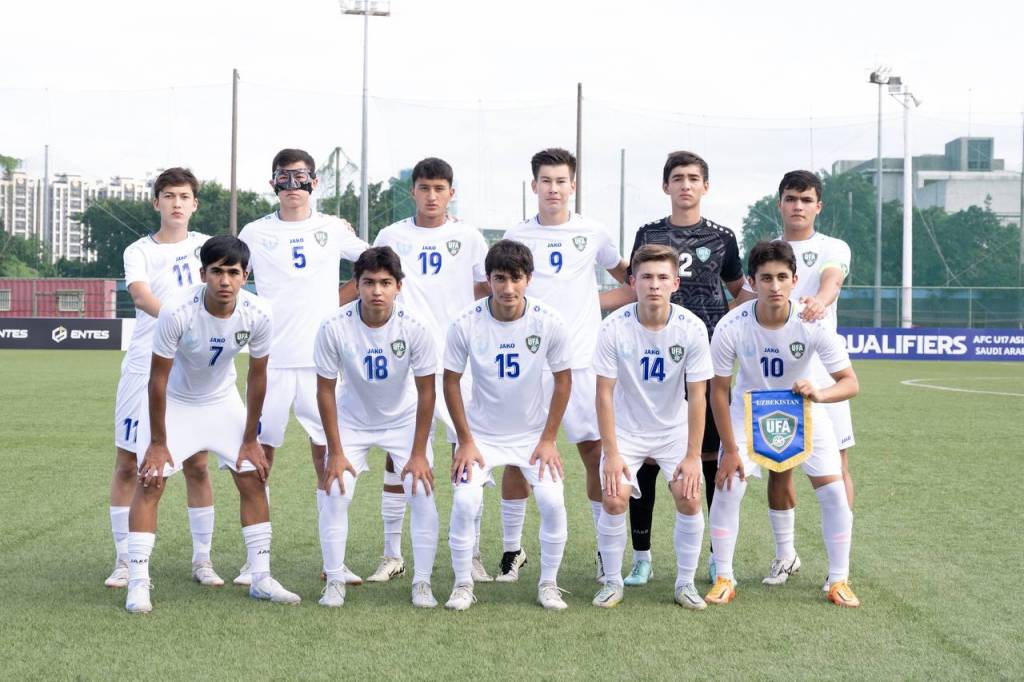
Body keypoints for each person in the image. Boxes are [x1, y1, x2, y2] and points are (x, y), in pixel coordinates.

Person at [124, 235, 299, 613]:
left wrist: (250, 438)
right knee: (151, 481)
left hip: (221, 401)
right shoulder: (176, 310)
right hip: (175, 403)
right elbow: (157, 380)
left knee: (253, 476)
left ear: (245, 276)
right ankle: (137, 582)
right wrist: (158, 443)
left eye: (233, 273)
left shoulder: (259, 312)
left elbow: (257, 376)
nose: (225, 280)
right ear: (202, 273)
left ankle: (261, 578)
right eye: (217, 272)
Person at [599, 151, 744, 586]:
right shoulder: (649, 233)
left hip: (702, 353)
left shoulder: (723, 237)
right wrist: (580, 306)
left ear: (705, 186)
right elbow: (632, 286)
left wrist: (732, 327)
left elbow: (739, 292)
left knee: (704, 460)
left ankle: (716, 556)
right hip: (650, 349)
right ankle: (641, 556)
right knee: (643, 462)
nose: (685, 185)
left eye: (693, 178)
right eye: (677, 178)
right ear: (666, 186)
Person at [236, 148, 368, 585]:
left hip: (321, 364)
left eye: (301, 177)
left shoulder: (332, 228)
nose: (293, 186)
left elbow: (374, 263)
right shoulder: (255, 231)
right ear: (272, 183)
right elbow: (231, 272)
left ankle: (334, 561)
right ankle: (255, 560)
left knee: (328, 456)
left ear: (314, 182)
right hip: (269, 362)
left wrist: (337, 301)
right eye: (284, 178)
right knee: (259, 456)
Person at [705, 240, 860, 608]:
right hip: (749, 411)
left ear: (794, 279)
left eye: (781, 277)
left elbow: (850, 383)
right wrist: (729, 450)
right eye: (765, 278)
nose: (774, 286)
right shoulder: (732, 325)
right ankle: (724, 576)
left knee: (834, 492)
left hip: (803, 410)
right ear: (751, 281)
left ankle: (839, 579)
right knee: (729, 486)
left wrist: (819, 393)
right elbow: (718, 391)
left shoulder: (812, 322)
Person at [499, 148, 628, 583]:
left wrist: (591, 304)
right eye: (546, 181)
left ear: (573, 186)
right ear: (533, 185)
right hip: (531, 366)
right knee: (518, 456)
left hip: (582, 362)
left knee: (594, 453)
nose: (553, 189)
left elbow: (629, 281)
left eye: (561, 181)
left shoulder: (593, 232)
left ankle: (604, 551)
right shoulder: (516, 234)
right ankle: (512, 551)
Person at [369, 157, 492, 584]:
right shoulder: (391, 236)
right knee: (399, 454)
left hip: (459, 359)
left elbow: (485, 288)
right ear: (413, 192)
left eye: (440, 188)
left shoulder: (468, 236)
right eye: (424, 188)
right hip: (406, 357)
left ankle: (472, 553)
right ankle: (391, 554)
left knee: (467, 453)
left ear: (451, 193)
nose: (432, 196)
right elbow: (377, 282)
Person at [731, 170, 855, 587]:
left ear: (818, 206)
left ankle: (841, 562)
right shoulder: (769, 251)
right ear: (780, 204)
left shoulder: (832, 247)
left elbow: (832, 280)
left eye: (805, 199)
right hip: (778, 372)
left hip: (822, 373)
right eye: (790, 198)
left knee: (835, 467)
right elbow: (746, 300)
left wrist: (818, 303)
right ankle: (786, 556)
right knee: (778, 466)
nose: (798, 206)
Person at [106, 168, 221, 589]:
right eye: (169, 195)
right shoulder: (138, 250)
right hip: (144, 365)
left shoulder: (207, 247)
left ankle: (203, 559)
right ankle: (124, 560)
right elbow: (140, 296)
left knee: (198, 464)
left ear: (195, 204)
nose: (176, 203)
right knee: (127, 464)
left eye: (184, 196)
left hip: (193, 368)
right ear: (156, 202)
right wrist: (181, 323)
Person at [443, 240, 571, 610]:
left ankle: (549, 584)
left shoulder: (549, 321)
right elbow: (450, 381)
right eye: (500, 278)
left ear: (529, 279)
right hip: (481, 437)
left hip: (532, 436)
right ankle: (462, 584)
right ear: (488, 279)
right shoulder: (466, 323)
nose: (508, 288)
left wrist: (548, 439)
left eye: (516, 278)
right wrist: (465, 440)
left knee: (552, 501)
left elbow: (564, 380)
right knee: (465, 502)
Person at [313, 246, 441, 608]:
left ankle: (422, 583)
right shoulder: (333, 326)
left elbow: (427, 391)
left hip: (403, 419)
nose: (377, 291)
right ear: (356, 284)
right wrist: (336, 452)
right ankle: (333, 580)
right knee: (336, 491)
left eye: (385, 283)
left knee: (421, 490)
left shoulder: (416, 327)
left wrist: (418, 453)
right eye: (369, 282)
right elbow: (325, 390)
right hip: (352, 420)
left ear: (399, 286)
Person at [591, 245, 714, 610]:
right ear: (633, 282)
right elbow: (603, 394)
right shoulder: (613, 327)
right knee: (614, 497)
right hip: (626, 430)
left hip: (673, 430)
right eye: (646, 277)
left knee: (689, 497)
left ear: (675, 283)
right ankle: (612, 582)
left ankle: (685, 583)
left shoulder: (692, 328)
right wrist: (611, 453)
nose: (654, 285)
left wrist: (693, 456)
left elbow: (698, 396)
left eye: (662, 277)